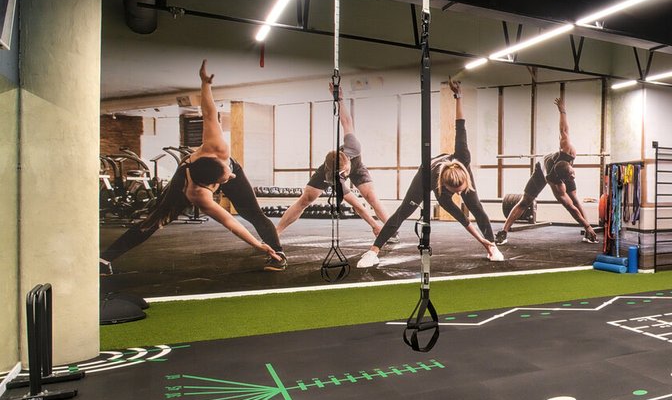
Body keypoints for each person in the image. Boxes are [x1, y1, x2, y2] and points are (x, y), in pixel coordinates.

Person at [101, 60, 288, 273]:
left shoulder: (217, 147)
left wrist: (205, 85)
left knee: (253, 212)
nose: (232, 177)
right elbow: (229, 222)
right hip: (187, 178)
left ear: (219, 160)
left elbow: (209, 114)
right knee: (154, 220)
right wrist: (256, 245)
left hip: (213, 167)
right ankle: (104, 260)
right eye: (226, 179)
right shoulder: (197, 194)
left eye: (228, 172)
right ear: (212, 185)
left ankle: (278, 253)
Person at [357, 80, 504, 268]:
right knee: (403, 211)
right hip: (426, 171)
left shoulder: (463, 156)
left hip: (454, 169)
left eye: (460, 190)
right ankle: (373, 251)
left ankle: (493, 247)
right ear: (444, 186)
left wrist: (458, 96)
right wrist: (478, 239)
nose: (459, 194)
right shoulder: (438, 188)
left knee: (476, 206)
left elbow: (460, 125)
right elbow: (462, 218)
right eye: (456, 192)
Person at [275, 85, 389, 236]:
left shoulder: (353, 147)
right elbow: (356, 205)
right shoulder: (332, 176)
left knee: (371, 196)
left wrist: (339, 99)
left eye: (344, 172)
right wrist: (374, 225)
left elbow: (346, 121)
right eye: (341, 174)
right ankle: (275, 233)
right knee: (306, 199)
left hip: (357, 166)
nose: (344, 175)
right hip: (327, 172)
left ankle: (391, 230)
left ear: (347, 161)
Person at [496, 95, 597, 245]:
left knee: (575, 198)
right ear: (563, 180)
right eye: (570, 177)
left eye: (572, 173)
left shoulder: (568, 150)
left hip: (558, 167)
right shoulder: (555, 183)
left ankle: (588, 233)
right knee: (525, 201)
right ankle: (503, 232)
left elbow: (564, 130)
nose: (574, 177)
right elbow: (569, 207)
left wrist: (562, 111)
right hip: (541, 170)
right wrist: (587, 225)